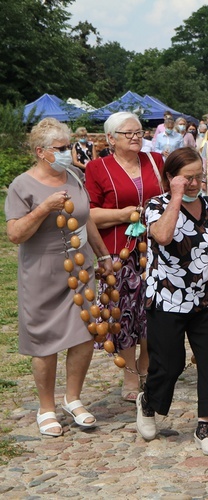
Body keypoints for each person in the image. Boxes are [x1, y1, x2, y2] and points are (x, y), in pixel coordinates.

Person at [5, 118, 113, 437]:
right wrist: (43, 210)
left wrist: (103, 254)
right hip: (41, 271)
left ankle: (73, 398)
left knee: (83, 334)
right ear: (41, 152)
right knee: (45, 341)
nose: (68, 152)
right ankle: (46, 407)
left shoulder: (75, 176)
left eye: (68, 147)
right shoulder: (21, 186)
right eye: (61, 148)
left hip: (79, 268)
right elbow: (14, 234)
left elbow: (86, 217)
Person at [137, 147, 208, 455]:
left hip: (204, 298)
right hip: (167, 298)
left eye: (199, 177)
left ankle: (204, 426)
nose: (195, 183)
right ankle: (148, 401)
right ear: (170, 177)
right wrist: (177, 196)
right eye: (187, 178)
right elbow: (164, 236)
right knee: (169, 364)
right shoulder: (156, 206)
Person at [85, 111, 164, 402]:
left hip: (156, 248)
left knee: (153, 312)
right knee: (125, 314)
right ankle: (130, 372)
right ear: (110, 139)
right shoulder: (97, 168)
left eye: (139, 131)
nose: (135, 137)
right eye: (128, 133)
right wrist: (123, 214)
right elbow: (89, 213)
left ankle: (147, 367)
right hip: (119, 251)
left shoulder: (155, 161)